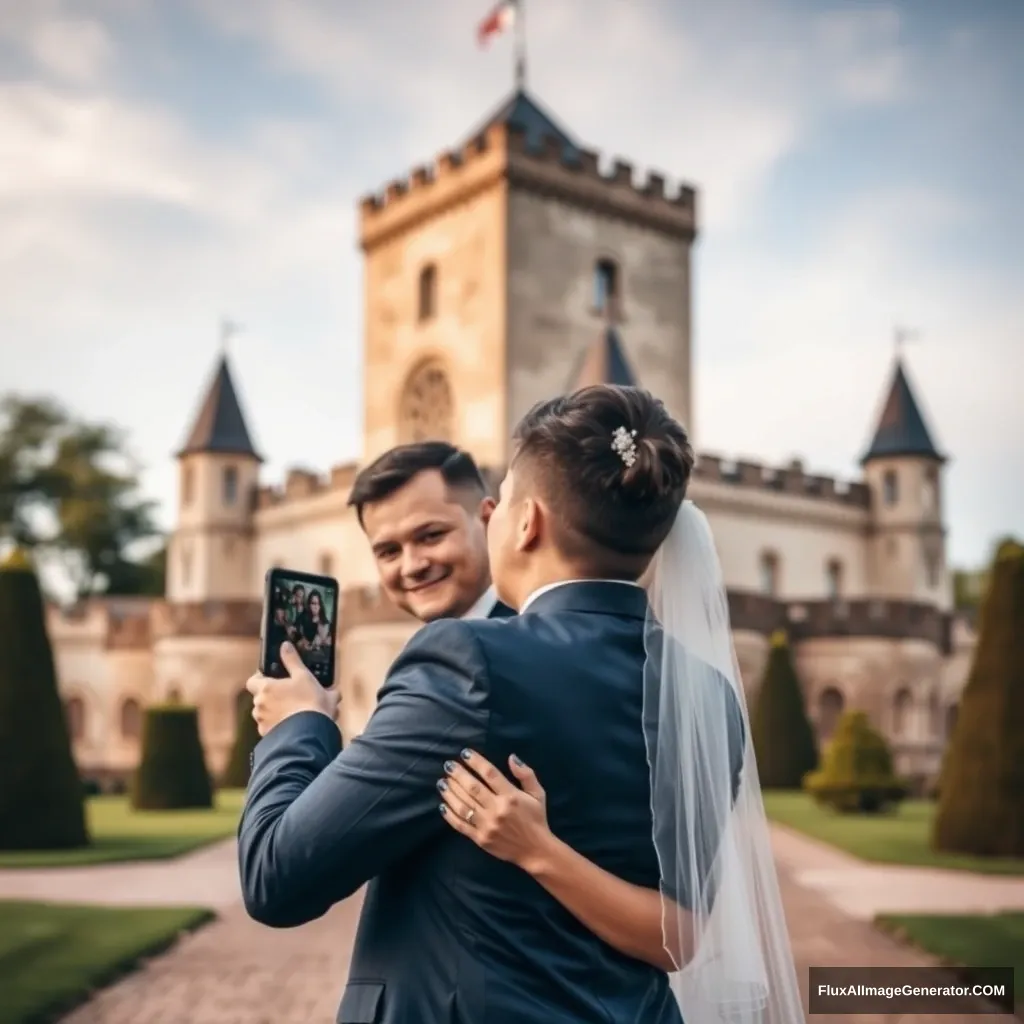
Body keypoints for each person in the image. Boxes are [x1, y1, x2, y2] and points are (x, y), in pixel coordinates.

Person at [238, 386, 802, 1023]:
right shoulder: (708, 691)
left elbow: (275, 879)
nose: (493, 518)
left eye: (500, 502)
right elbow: (682, 935)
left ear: (527, 520)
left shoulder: (465, 660)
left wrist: (299, 724)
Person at [347, 441, 514, 621]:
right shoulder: (431, 646)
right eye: (390, 552)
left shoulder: (535, 641)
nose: (411, 567)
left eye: (430, 536)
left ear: (487, 521)